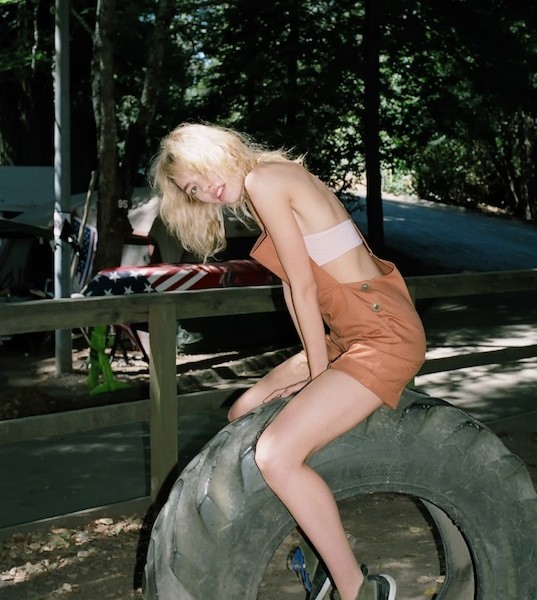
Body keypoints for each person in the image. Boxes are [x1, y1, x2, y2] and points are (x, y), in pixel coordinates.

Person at [150, 122, 427, 600]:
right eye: (193, 190)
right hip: (349, 334)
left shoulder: (266, 180)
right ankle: (321, 540)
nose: (207, 191)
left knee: (275, 453)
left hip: (383, 334)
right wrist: (314, 371)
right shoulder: (264, 187)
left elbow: (303, 287)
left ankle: (358, 590)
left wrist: (317, 379)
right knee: (243, 412)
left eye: (200, 173)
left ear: (216, 150)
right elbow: (292, 290)